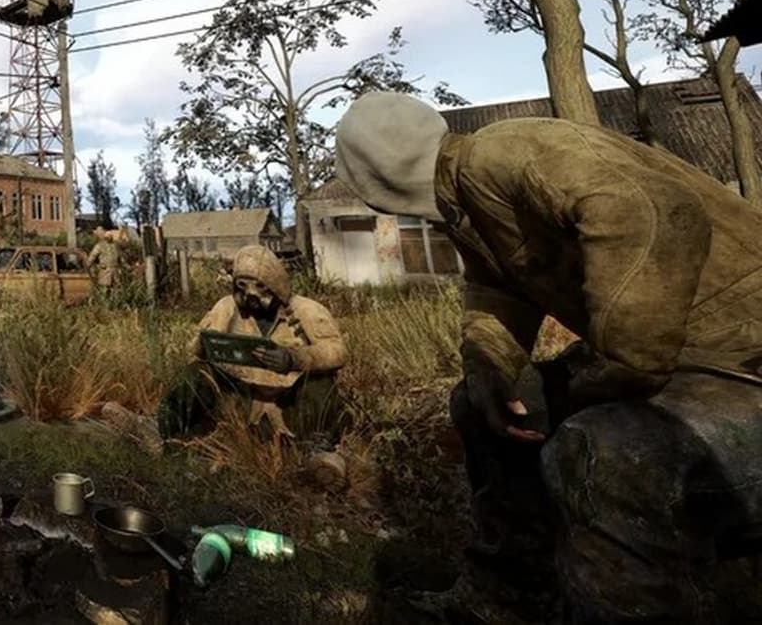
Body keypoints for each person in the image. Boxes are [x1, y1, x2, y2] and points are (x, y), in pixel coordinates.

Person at [333, 91, 762, 624]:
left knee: (598, 455)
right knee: (484, 407)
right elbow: (496, 291)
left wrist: (624, 360)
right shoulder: (466, 200)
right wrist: (490, 370)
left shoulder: (501, 154)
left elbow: (646, 209)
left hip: (744, 363)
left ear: (375, 186)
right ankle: (508, 601)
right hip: (692, 362)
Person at [157, 244, 347, 444]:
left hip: (290, 403)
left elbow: (337, 351)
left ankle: (315, 444)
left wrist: (293, 358)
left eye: (260, 286)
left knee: (320, 382)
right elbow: (197, 348)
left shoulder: (306, 310)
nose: (250, 294)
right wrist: (205, 346)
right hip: (240, 400)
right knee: (194, 374)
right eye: (242, 286)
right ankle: (176, 440)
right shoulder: (227, 307)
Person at [88, 228, 121, 293]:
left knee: (116, 289)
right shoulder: (100, 246)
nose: (109, 237)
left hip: (114, 271)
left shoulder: (115, 246)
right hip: (105, 271)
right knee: (104, 289)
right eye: (107, 236)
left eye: (110, 236)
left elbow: (120, 257)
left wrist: (127, 266)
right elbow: (92, 256)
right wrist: (88, 265)